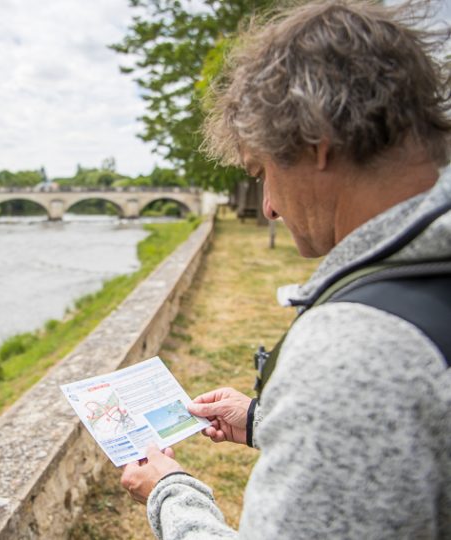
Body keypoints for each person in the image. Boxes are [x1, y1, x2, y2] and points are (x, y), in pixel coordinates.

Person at [120, 1, 450, 538]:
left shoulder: (357, 352)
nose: (268, 205)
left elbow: (368, 398)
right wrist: (262, 420)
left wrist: (170, 491)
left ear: (313, 141)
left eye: (262, 173)